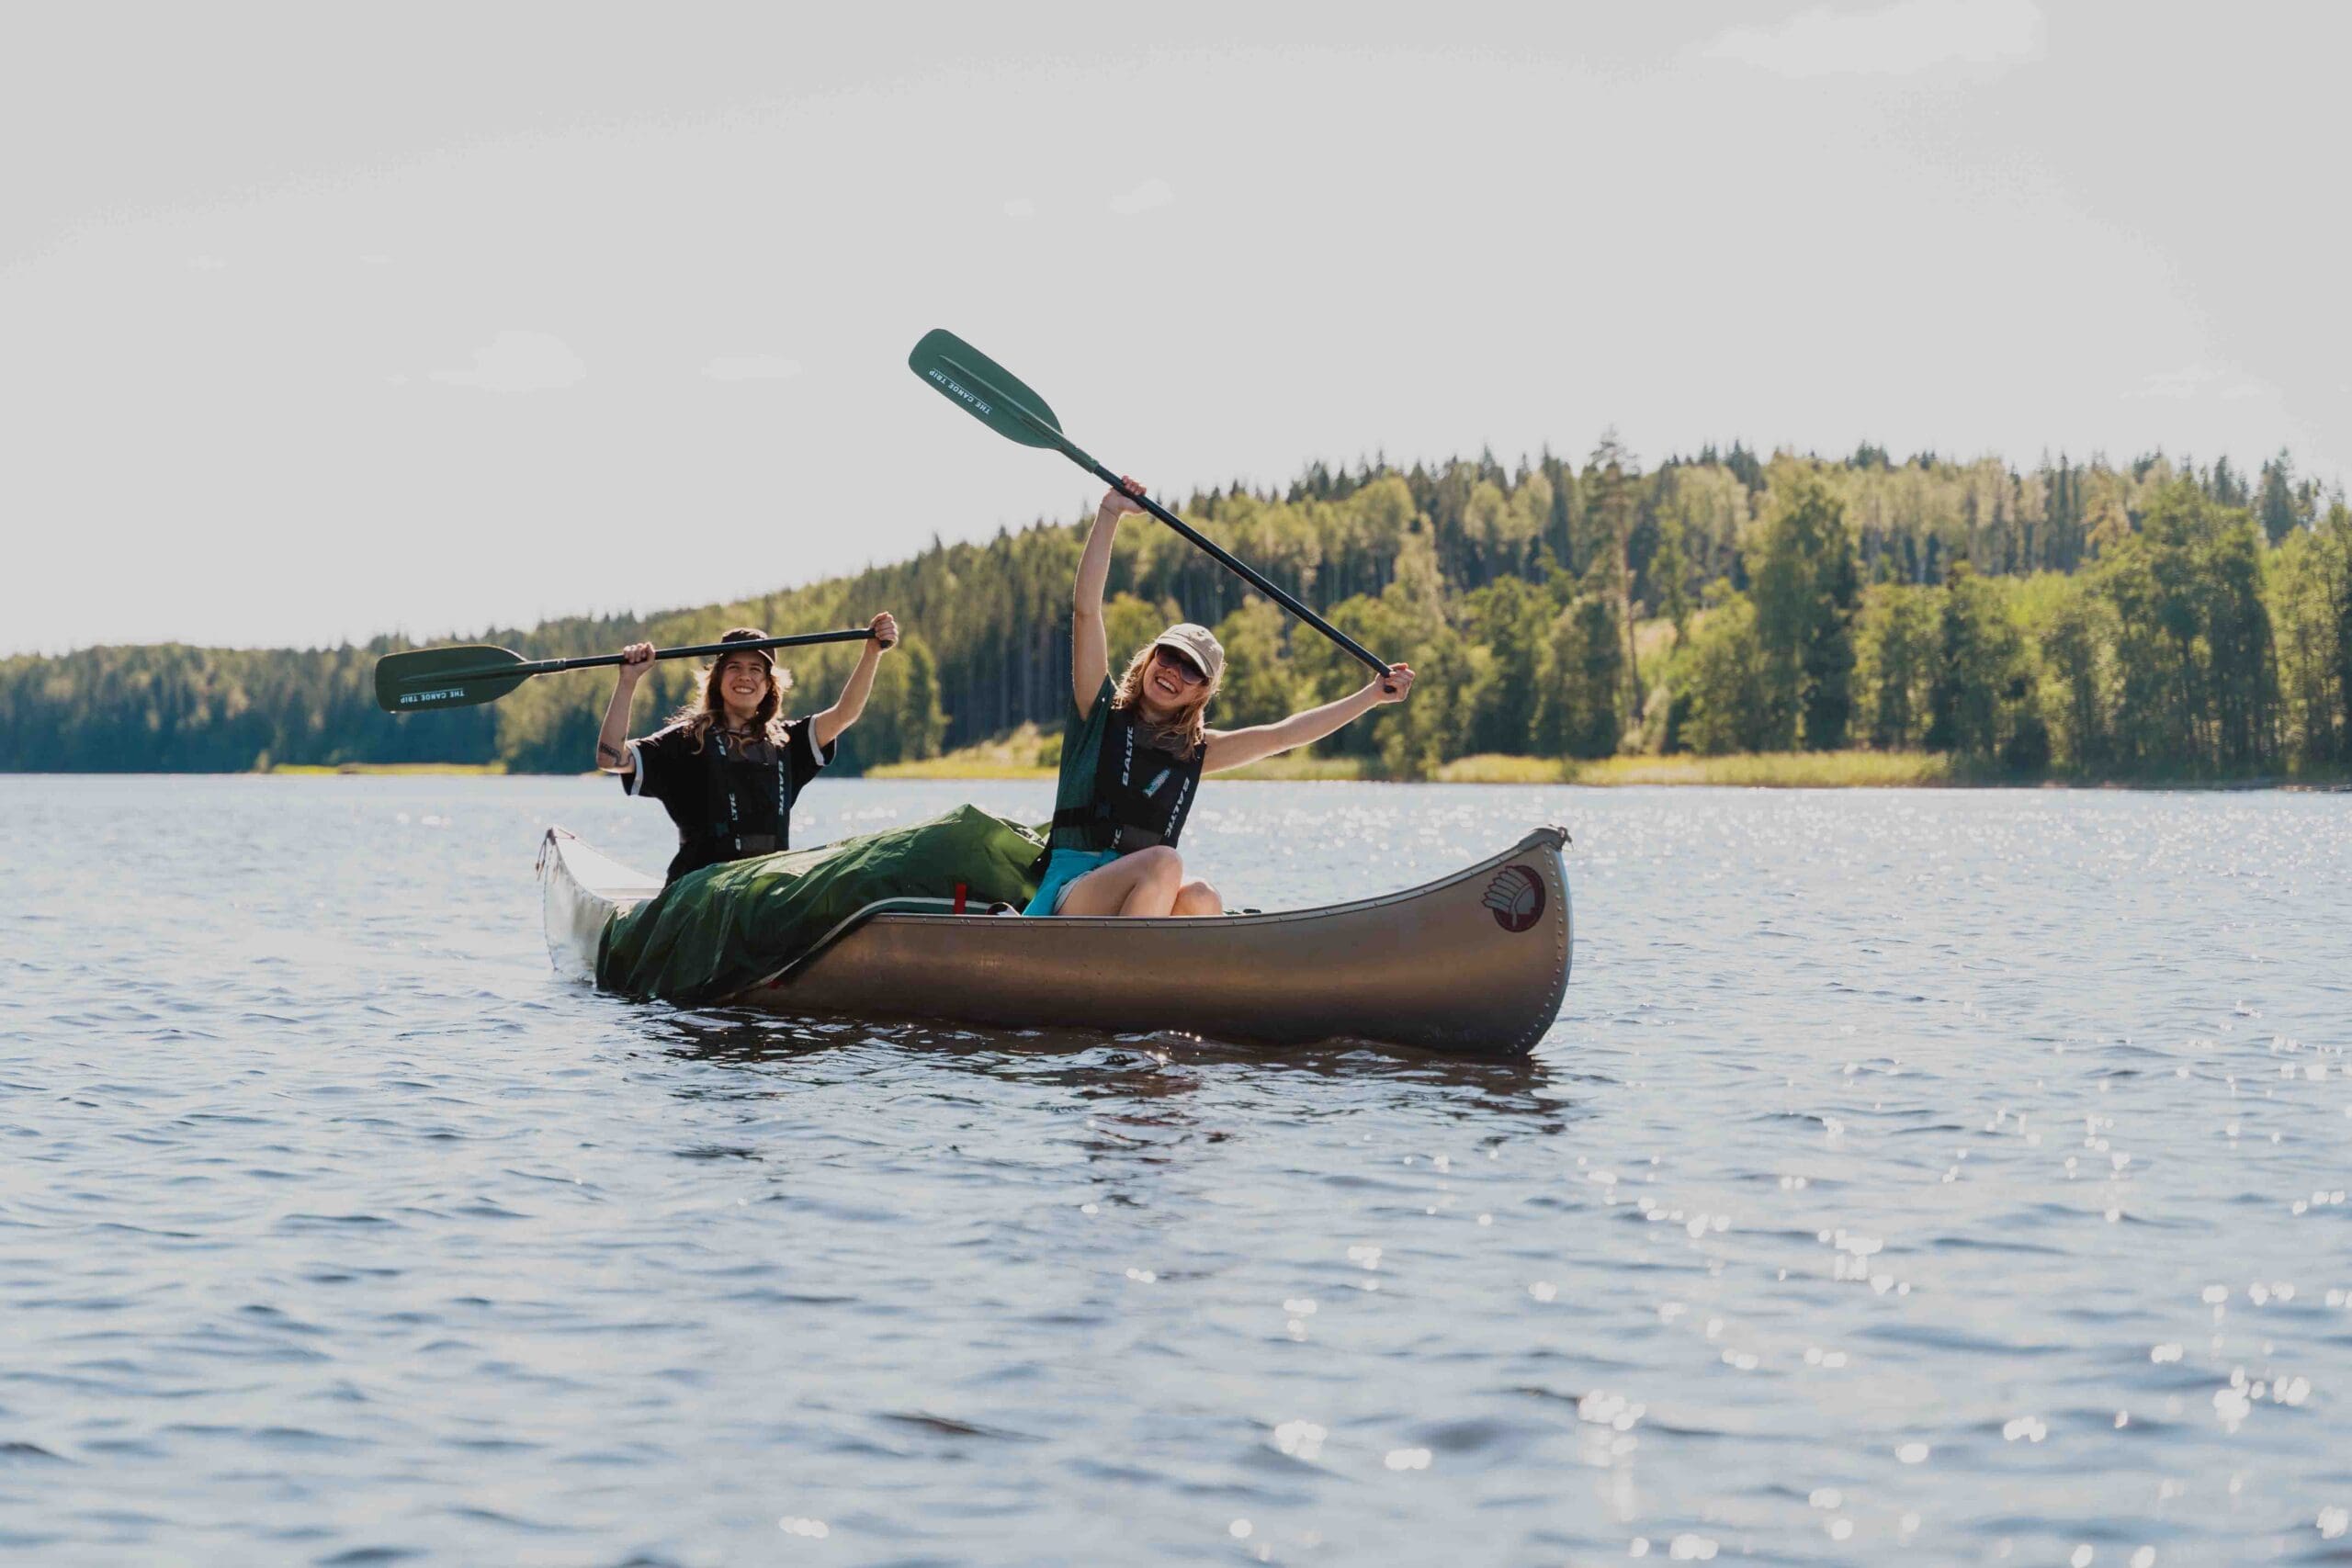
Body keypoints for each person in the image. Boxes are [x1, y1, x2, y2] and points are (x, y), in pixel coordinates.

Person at [1027, 479, 1415, 918]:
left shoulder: (1196, 751)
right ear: (1151, 658)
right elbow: (1086, 612)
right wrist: (1110, 513)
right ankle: (1131, 977)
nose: (1174, 671)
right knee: (1165, 862)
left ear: (1200, 693)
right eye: (1169, 656)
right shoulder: (1096, 712)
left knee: (1201, 897)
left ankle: (1175, 980)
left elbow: (1282, 736)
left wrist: (1370, 696)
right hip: (1073, 891)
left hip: (1143, 893)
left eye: (1190, 669)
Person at [596, 615, 898, 885]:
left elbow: (845, 713)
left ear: (768, 685)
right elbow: (610, 758)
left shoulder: (789, 742)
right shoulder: (686, 740)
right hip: (698, 897)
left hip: (763, 898)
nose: (745, 676)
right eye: (734, 667)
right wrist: (628, 681)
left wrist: (872, 652)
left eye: (756, 669)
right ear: (717, 679)